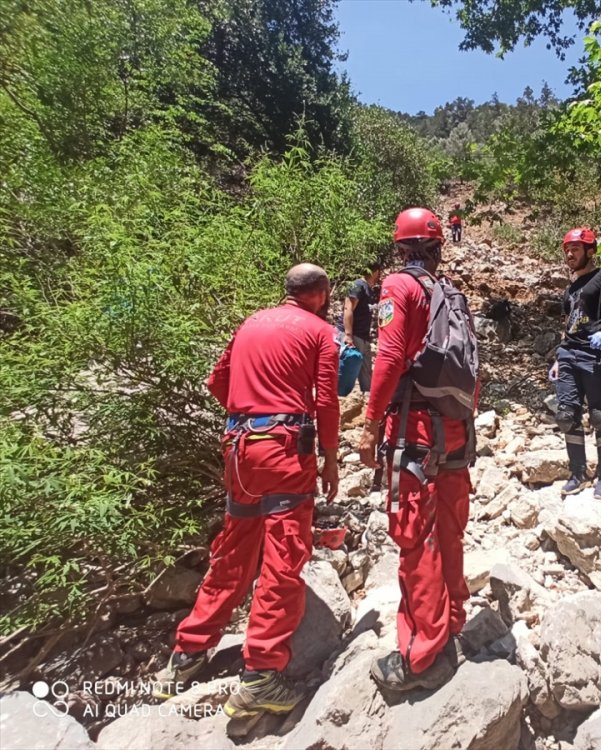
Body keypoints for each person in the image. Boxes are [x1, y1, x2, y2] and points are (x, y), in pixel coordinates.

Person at [154, 263, 341, 718]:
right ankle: (260, 675)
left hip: (238, 449)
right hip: (282, 452)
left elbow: (219, 381)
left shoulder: (251, 322)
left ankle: (187, 655)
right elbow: (326, 400)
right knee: (284, 558)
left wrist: (251, 412)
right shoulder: (320, 332)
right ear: (320, 294)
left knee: (235, 551)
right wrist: (330, 457)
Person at [359, 207, 476, 692]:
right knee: (448, 526)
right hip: (453, 426)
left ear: (399, 247)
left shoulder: (398, 287)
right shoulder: (451, 294)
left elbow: (388, 356)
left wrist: (369, 424)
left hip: (414, 430)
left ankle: (421, 656)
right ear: (436, 247)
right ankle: (449, 622)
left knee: (415, 534)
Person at [549, 227, 601, 499]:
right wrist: (559, 357)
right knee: (566, 416)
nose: (570, 254)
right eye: (567, 250)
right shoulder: (570, 288)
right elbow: (568, 324)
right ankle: (577, 474)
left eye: (575, 249)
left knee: (599, 416)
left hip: (596, 356)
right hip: (569, 356)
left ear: (590, 250)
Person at [337, 265, 382, 393]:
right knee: (345, 367)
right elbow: (348, 308)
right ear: (375, 272)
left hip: (363, 336)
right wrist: (348, 335)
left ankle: (367, 399)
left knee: (366, 371)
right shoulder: (357, 285)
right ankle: (340, 397)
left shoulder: (370, 289)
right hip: (352, 333)